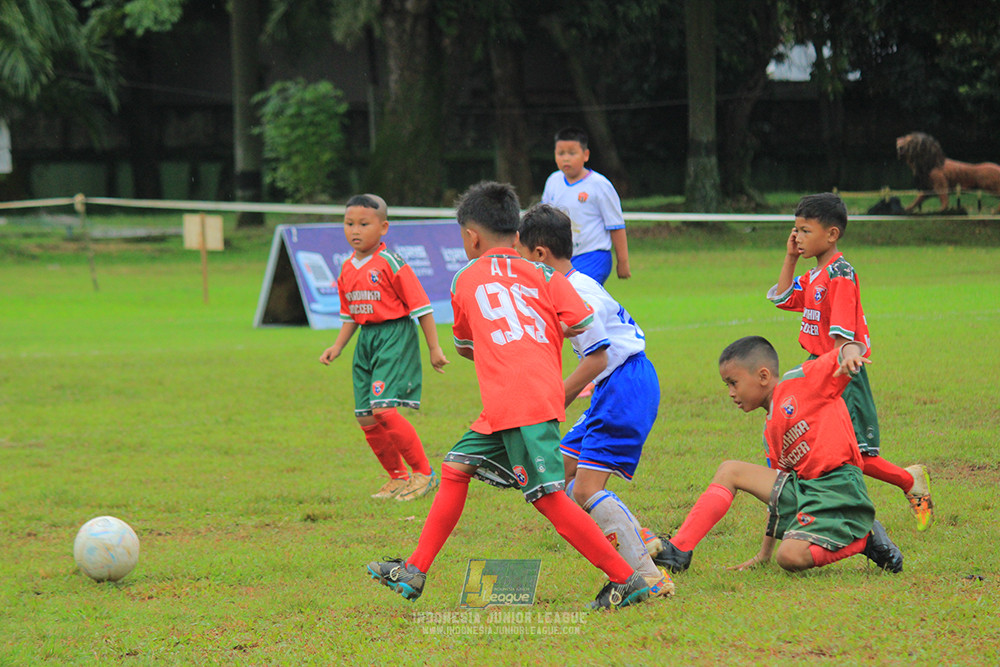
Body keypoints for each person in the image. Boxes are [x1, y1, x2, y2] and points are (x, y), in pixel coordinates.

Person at [366, 182, 650, 610]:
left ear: (471, 237)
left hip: (520, 400)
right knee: (456, 467)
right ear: (517, 235)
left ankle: (626, 578)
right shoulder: (546, 275)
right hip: (518, 400)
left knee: (551, 498)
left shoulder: (465, 278)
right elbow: (579, 322)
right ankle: (415, 570)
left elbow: (465, 345)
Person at [515, 203, 672, 597]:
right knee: (559, 471)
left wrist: (554, 402)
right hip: (615, 385)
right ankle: (642, 537)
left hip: (625, 384)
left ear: (539, 254)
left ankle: (650, 578)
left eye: (518, 253)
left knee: (584, 489)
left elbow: (596, 357)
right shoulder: (570, 283)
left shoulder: (575, 290)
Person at [652, 336, 903, 575]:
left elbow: (850, 347)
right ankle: (680, 549)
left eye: (733, 383)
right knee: (730, 470)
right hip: (806, 491)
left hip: (840, 486)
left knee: (789, 558)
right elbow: (777, 497)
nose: (730, 392)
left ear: (762, 376)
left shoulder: (802, 379)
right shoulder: (769, 430)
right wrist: (763, 554)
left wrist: (849, 357)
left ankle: (865, 539)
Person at [768, 193, 933, 531]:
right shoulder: (815, 273)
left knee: (855, 453)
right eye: (795, 230)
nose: (798, 237)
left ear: (832, 234)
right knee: (815, 447)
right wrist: (789, 257)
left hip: (840, 370)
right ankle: (814, 512)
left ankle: (909, 480)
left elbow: (845, 330)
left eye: (805, 230)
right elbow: (784, 298)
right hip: (815, 370)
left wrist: (845, 363)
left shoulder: (840, 273)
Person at [320, 194, 449, 501]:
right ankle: (397, 477)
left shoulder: (391, 263)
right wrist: (338, 346)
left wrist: (434, 348)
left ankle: (424, 474)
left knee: (384, 410)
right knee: (365, 415)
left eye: (364, 224)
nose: (355, 230)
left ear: (383, 228)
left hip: (394, 335)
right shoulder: (346, 268)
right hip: (366, 340)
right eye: (349, 223)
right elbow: (351, 313)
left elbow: (422, 307)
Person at [541, 127, 630, 285]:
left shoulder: (600, 185)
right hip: (562, 257)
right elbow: (544, 221)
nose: (566, 158)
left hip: (593, 256)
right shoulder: (552, 182)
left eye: (572, 153)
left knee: (578, 295)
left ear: (586, 155)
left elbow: (616, 225)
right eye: (561, 153)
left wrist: (622, 262)